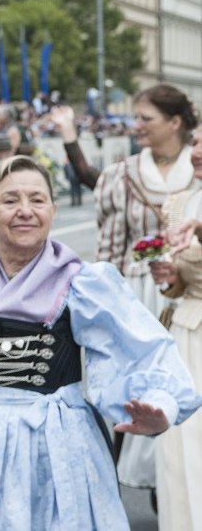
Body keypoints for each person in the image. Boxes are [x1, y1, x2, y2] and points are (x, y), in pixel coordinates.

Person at [0, 155, 201, 530]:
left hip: (58, 444)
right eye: (10, 200)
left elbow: (142, 347)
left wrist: (160, 404)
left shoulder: (82, 281)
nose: (25, 211)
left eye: (37, 200)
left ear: (53, 210)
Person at [94, 84, 200, 490]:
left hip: (189, 294)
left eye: (145, 118)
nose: (136, 126)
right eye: (135, 117)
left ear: (174, 122)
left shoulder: (197, 169)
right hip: (138, 292)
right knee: (139, 387)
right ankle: (158, 482)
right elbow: (109, 248)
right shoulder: (124, 175)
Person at [150, 123, 202, 531]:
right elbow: (179, 284)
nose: (197, 151)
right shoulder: (180, 202)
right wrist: (169, 278)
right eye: (196, 142)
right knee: (181, 448)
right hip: (186, 332)